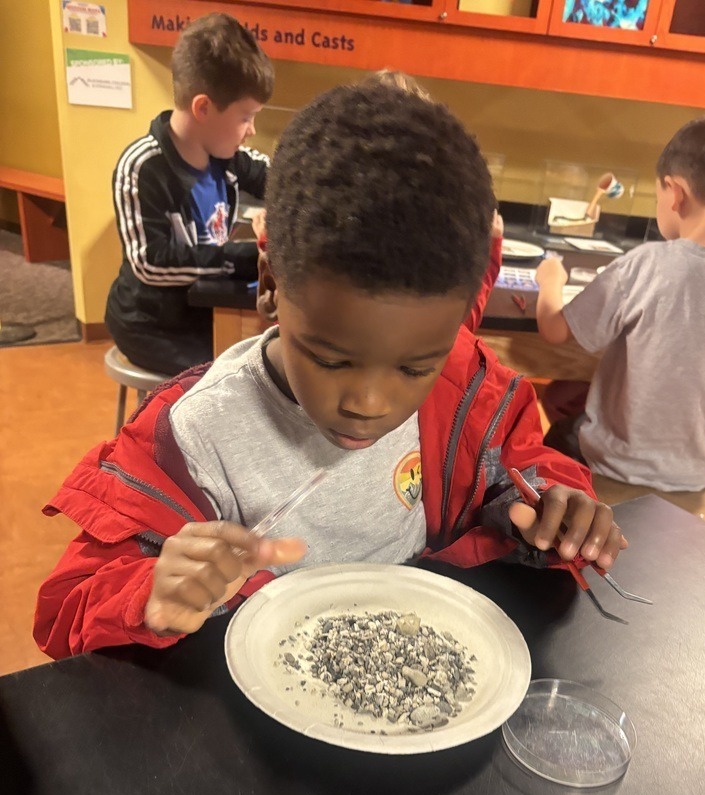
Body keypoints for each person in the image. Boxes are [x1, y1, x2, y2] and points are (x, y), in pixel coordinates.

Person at [35, 80, 625, 660]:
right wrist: (150, 594)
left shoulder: (462, 383)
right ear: (269, 284)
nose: (369, 403)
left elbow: (518, 466)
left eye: (414, 367)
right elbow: (69, 609)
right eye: (330, 359)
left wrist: (553, 506)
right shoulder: (193, 436)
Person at [535, 111, 705, 491]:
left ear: (674, 193)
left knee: (559, 435)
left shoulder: (648, 264)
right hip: (697, 472)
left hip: (614, 463)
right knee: (569, 395)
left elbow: (554, 330)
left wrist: (551, 281)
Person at [105, 13, 274, 376]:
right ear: (203, 108)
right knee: (237, 377)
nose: (251, 130)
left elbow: (280, 179)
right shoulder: (141, 167)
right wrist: (246, 256)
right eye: (246, 117)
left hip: (200, 308)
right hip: (151, 324)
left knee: (264, 361)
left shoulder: (227, 156)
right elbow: (152, 262)